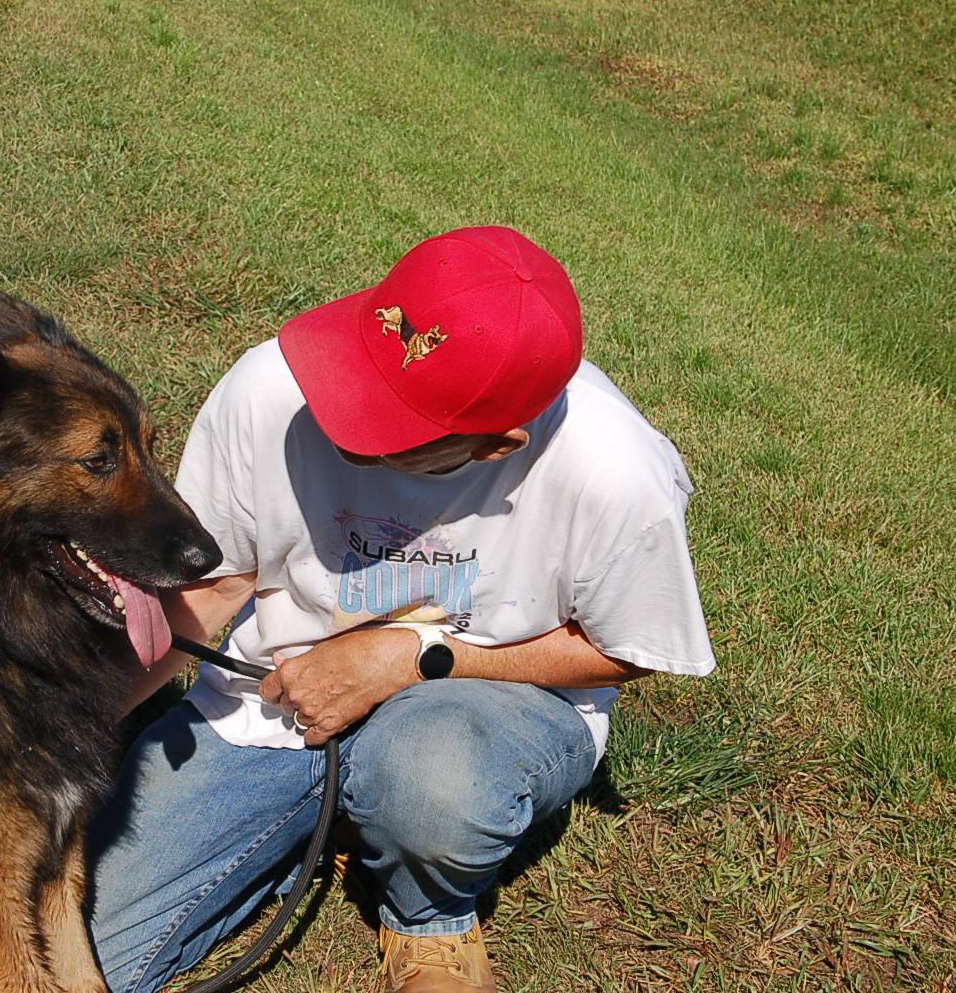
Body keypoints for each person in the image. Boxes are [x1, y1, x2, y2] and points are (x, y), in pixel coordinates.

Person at [86, 226, 716, 992]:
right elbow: (212, 588)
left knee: (430, 783)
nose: (344, 417)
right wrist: (60, 723)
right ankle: (324, 824)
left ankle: (429, 914)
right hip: (276, 707)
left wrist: (415, 659)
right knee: (81, 952)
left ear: (497, 446)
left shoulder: (617, 475)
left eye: (394, 429)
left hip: (483, 709)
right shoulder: (271, 388)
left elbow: (629, 648)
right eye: (356, 375)